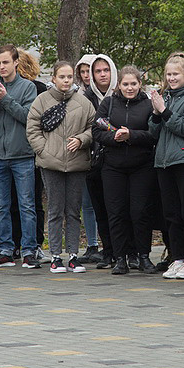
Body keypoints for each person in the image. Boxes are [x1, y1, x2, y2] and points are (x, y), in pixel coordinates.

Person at [26, 61, 96, 273]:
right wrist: (45, 151)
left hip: (77, 164)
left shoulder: (83, 103)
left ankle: (74, 255)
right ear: (54, 78)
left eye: (69, 77)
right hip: (51, 164)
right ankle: (56, 256)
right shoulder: (41, 101)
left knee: (74, 211)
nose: (66, 81)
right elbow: (32, 129)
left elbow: (94, 127)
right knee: (55, 211)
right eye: (62, 77)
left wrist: (82, 139)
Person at [0, 44, 39, 268]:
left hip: (22, 155)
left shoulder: (28, 88)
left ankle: (29, 250)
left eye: (6, 62)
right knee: (1, 206)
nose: (2, 67)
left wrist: (5, 99)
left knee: (26, 205)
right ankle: (5, 250)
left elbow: (27, 117)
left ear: (16, 62)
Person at [95, 65, 159, 274]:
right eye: (125, 84)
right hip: (113, 166)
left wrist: (132, 135)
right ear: (119, 85)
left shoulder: (148, 105)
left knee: (140, 212)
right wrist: (113, 137)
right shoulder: (109, 103)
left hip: (142, 166)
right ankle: (120, 257)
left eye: (134, 84)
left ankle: (142, 256)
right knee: (116, 212)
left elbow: (154, 135)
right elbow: (96, 130)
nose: (130, 88)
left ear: (140, 84)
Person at [150, 55, 184, 280]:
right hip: (164, 161)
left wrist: (163, 111)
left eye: (176, 74)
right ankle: (178, 257)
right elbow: (153, 133)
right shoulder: (167, 97)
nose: (171, 78)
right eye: (169, 74)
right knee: (171, 213)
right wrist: (156, 114)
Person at [83, 53, 118, 267]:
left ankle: (126, 252)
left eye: (106, 70)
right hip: (95, 159)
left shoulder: (124, 91)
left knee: (119, 209)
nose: (102, 74)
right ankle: (108, 251)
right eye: (98, 71)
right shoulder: (86, 97)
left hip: (121, 159)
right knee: (100, 209)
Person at [15, 50, 48, 255]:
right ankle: (23, 244)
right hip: (14, 151)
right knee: (23, 202)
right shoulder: (0, 88)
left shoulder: (38, 89)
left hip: (32, 151)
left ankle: (32, 243)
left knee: (32, 201)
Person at [74, 53, 101, 262]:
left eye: (88, 71)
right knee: (87, 203)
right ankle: (92, 244)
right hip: (86, 154)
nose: (85, 75)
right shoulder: (77, 96)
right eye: (82, 71)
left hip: (106, 154)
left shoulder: (108, 94)